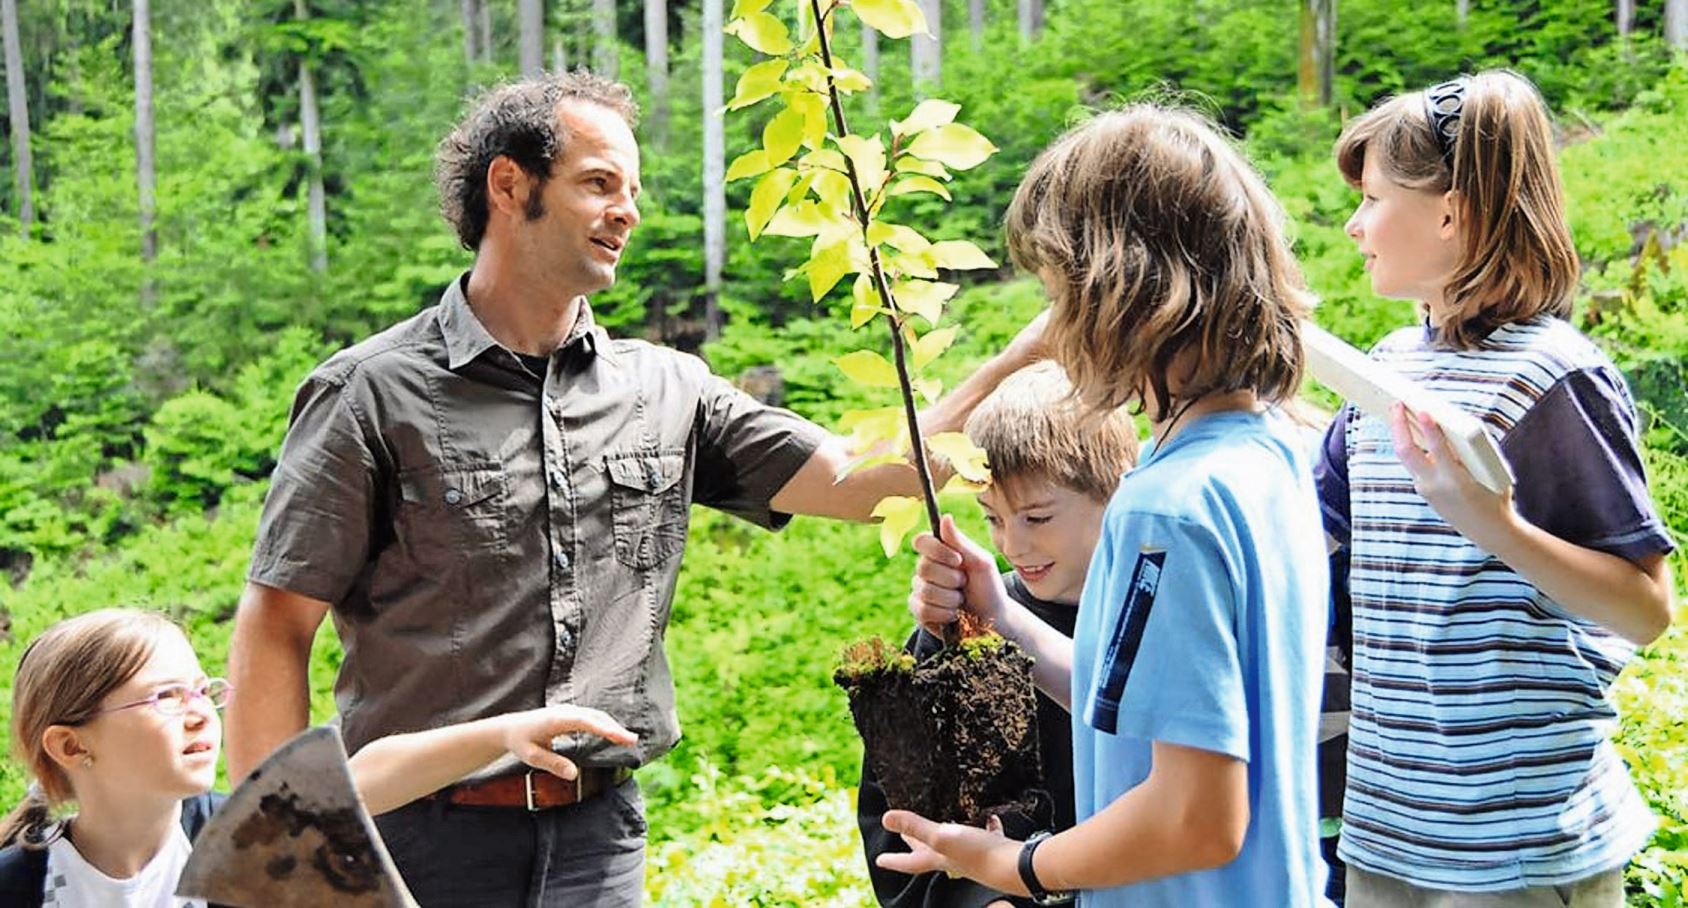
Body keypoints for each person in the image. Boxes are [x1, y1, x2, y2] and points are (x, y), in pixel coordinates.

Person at [223, 70, 1043, 906]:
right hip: (415, 842)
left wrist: (1033, 354)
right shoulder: (369, 394)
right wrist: (284, 855)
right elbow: (278, 623)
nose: (628, 211)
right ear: (509, 185)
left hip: (598, 840)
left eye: (633, 189)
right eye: (598, 183)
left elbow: (863, 481)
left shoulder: (668, 391)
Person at [880, 104, 1330, 905]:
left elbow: (1196, 817)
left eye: (1058, 286)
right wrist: (1004, 615)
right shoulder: (1266, 456)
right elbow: (1169, 708)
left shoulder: (1169, 508)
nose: (1051, 324)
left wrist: (1015, 865)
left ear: (1122, 289)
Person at [1316, 70, 1676, 905]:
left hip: (1516, 851)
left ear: (1452, 211)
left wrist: (1497, 527)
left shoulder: (1555, 378)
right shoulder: (1386, 372)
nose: (1354, 224)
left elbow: (1645, 610)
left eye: (1372, 198)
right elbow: (1310, 537)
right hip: (1385, 836)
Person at [0, 608, 635, 908]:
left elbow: (361, 777)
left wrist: (503, 734)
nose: (198, 713)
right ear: (70, 744)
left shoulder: (244, 838)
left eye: (202, 690)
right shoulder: (19, 884)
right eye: (165, 698)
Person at [857, 361, 1140, 908]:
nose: (1013, 545)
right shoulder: (963, 631)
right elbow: (898, 813)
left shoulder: (1158, 612)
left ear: (1117, 490)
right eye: (991, 518)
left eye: (1036, 518)